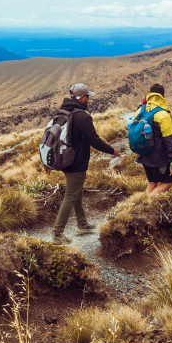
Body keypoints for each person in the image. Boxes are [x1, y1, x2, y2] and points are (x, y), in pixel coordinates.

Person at [48, 83, 119, 245]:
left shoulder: (62, 113)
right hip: (76, 162)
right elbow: (94, 140)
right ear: (81, 98)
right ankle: (57, 233)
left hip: (64, 160)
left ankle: (82, 224)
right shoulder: (82, 116)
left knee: (76, 191)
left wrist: (48, 163)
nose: (88, 99)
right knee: (71, 195)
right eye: (87, 96)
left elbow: (50, 139)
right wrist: (111, 150)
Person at [133, 84, 172, 195]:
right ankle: (147, 204)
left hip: (144, 154)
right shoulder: (162, 114)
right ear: (163, 96)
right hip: (159, 158)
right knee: (167, 183)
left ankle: (141, 204)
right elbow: (169, 139)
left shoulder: (140, 111)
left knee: (152, 183)